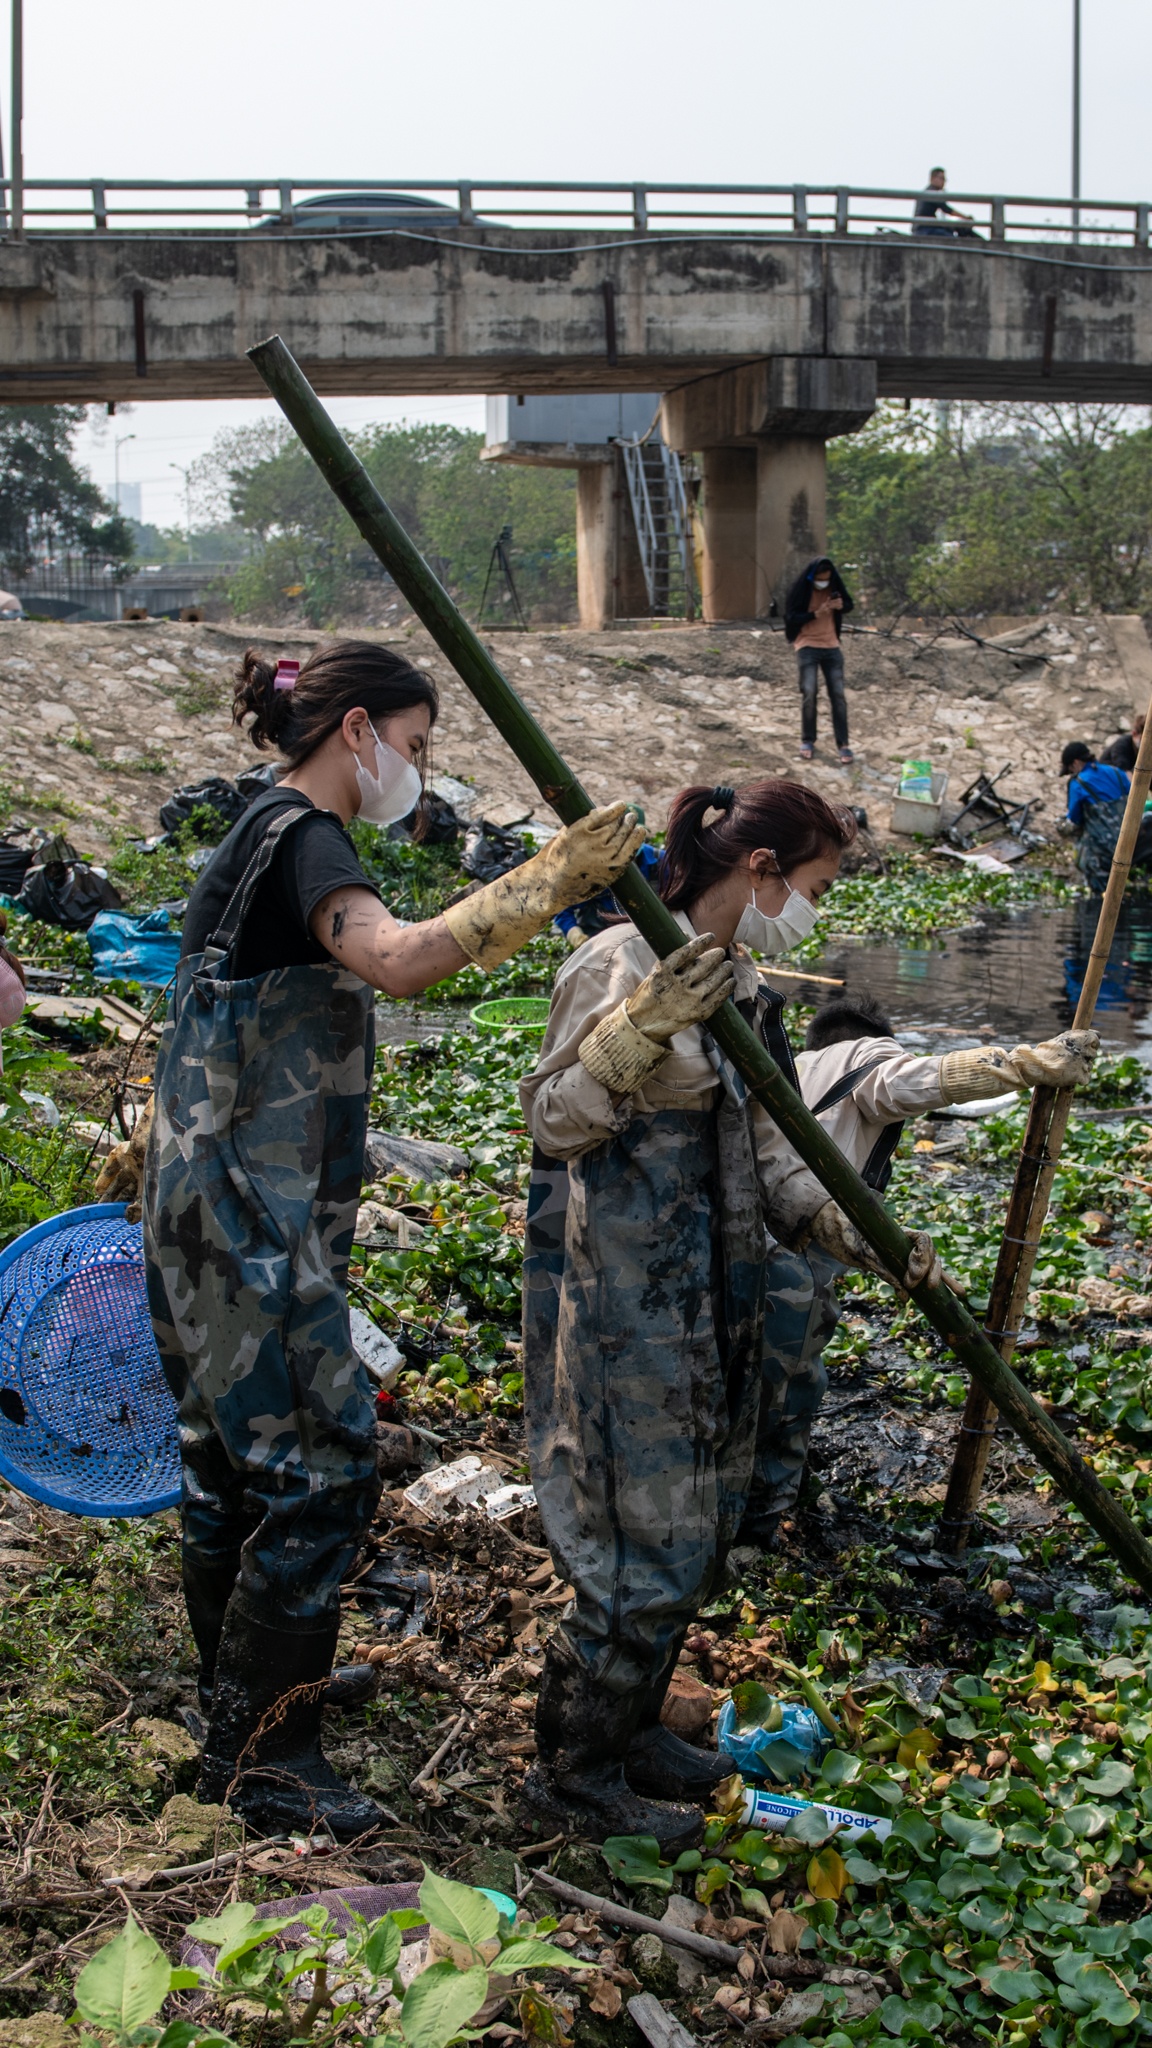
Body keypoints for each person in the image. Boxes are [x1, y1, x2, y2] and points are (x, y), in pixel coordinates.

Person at [140, 639, 645, 1842]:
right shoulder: (306, 835)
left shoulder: (255, 834)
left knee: (229, 1457)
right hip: (242, 1210)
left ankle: (246, 1695)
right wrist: (548, 878)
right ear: (356, 730)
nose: (417, 769)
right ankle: (269, 1760)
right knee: (321, 1464)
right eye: (414, 746)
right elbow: (402, 960)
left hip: (206, 1201)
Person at [518, 778, 947, 1851]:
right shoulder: (617, 963)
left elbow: (770, 1155)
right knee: (638, 1545)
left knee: (698, 1526)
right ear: (759, 870)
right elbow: (554, 1118)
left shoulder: (748, 987)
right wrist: (636, 1032)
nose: (814, 905)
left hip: (717, 1296)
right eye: (814, 884)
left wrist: (863, 1236)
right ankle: (572, 1771)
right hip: (625, 1303)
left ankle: (633, 1735)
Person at [738, 994, 1100, 1547]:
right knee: (789, 1389)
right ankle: (759, 1526)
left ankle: (760, 1494)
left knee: (747, 1378)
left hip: (743, 1240)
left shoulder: (791, 1066)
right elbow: (909, 1083)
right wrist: (1027, 1064)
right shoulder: (866, 1055)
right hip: (794, 1253)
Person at [553, 807, 662, 946]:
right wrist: (575, 935)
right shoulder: (591, 869)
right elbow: (563, 908)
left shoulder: (659, 861)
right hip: (601, 940)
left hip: (650, 937)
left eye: (637, 834)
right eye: (626, 835)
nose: (631, 840)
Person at [784, 557, 855, 765]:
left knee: (838, 695)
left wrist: (841, 606)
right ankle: (808, 740)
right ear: (812, 577)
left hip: (831, 646)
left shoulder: (835, 588)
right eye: (819, 579)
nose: (823, 583)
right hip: (807, 646)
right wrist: (815, 614)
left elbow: (850, 605)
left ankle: (843, 744)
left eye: (826, 579)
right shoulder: (800, 591)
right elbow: (790, 617)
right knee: (809, 692)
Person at [1060, 741, 1132, 893]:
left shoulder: (1078, 783)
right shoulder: (1117, 772)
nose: (1072, 773)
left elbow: (1074, 818)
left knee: (1101, 896)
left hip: (1102, 851)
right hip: (1131, 844)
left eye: (1070, 769)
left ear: (1076, 762)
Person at [912, 168, 979, 239]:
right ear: (932, 179)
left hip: (928, 227)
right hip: (925, 229)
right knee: (950, 237)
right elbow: (947, 209)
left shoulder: (928, 191)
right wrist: (965, 217)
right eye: (942, 178)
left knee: (953, 228)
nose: (944, 182)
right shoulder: (931, 193)